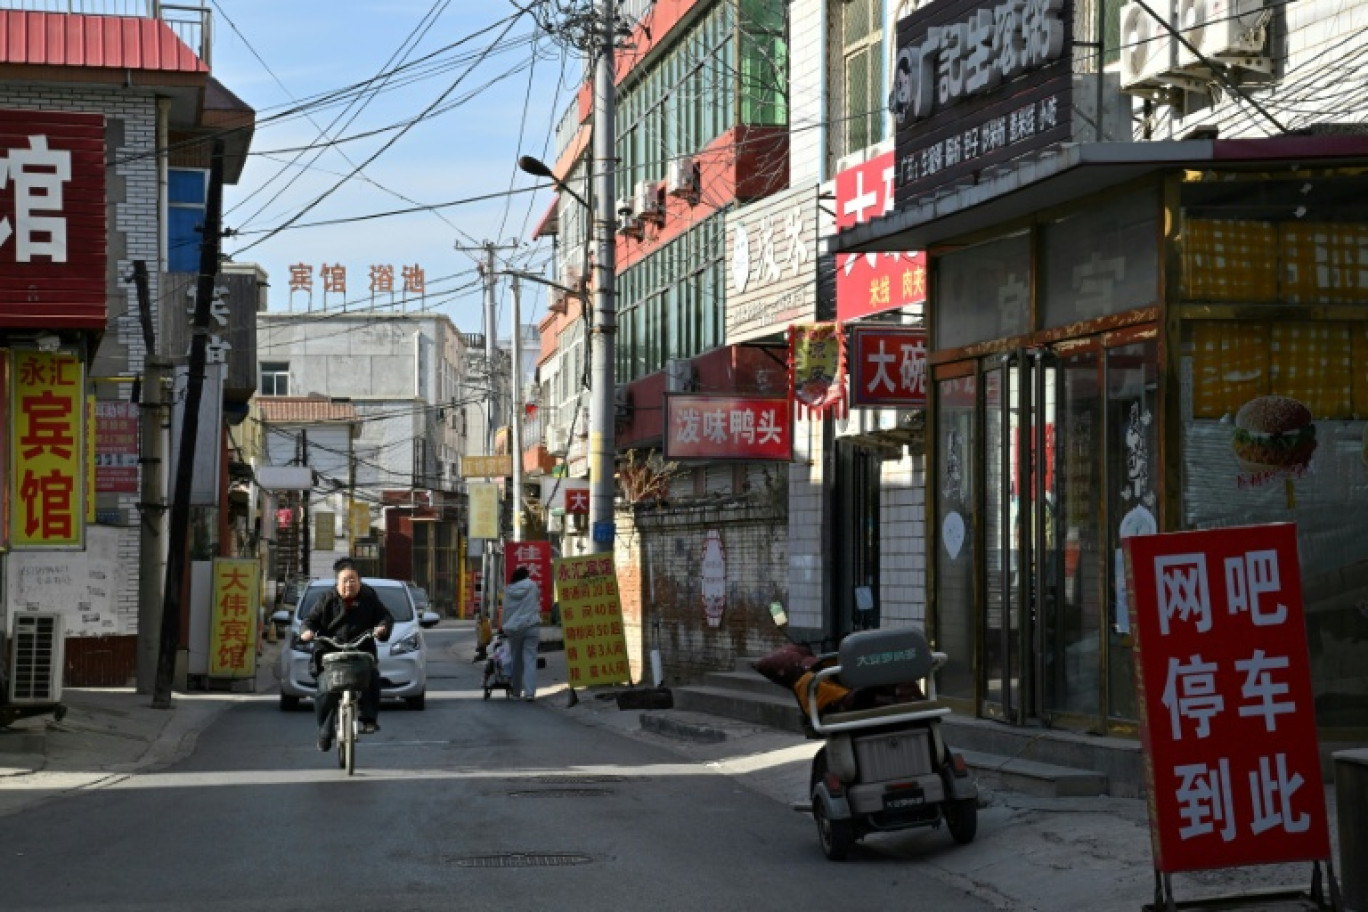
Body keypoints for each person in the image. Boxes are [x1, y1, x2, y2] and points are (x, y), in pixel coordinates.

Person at [300, 561, 393, 751]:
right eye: (344, 581)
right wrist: (307, 632)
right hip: (330, 651)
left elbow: (385, 616)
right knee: (326, 689)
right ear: (337, 583)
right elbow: (310, 620)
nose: (348, 585)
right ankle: (325, 732)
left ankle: (369, 719)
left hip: (360, 650)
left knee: (372, 677)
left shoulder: (369, 598)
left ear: (359, 581)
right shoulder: (326, 599)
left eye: (353, 580)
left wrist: (382, 627)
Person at [501, 566, 542, 702]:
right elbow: (536, 600)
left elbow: (506, 610)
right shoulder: (532, 586)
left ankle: (516, 691)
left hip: (514, 629)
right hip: (532, 625)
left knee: (516, 659)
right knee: (530, 659)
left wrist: (504, 626)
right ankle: (530, 693)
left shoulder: (508, 590)